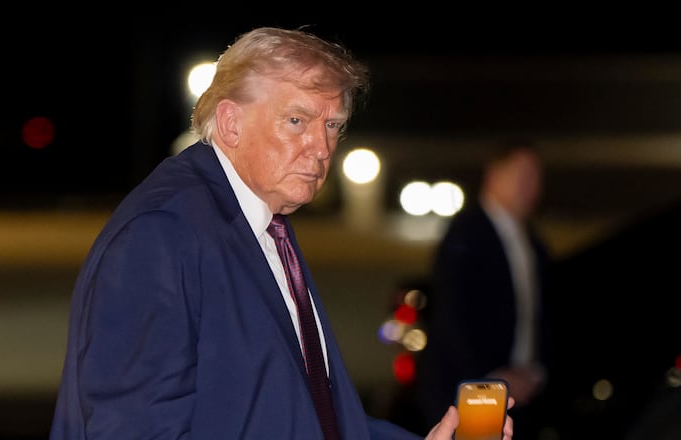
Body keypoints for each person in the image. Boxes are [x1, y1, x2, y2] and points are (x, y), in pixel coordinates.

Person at [47, 26, 514, 440]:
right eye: (297, 121)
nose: (321, 148)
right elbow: (132, 429)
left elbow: (309, 417)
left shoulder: (263, 223)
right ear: (231, 123)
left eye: (333, 126)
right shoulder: (161, 234)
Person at [410, 141, 552, 438]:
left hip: (518, 393)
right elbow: (453, 312)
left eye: (536, 178)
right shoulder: (467, 233)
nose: (532, 187)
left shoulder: (534, 244)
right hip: (469, 389)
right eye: (523, 176)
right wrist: (490, 375)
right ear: (494, 176)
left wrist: (534, 372)